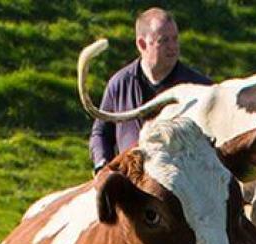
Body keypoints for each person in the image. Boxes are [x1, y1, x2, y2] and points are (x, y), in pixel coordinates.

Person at [88, 7, 212, 173]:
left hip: (183, 189)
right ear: (142, 44)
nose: (173, 47)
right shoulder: (119, 84)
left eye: (175, 39)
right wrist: (103, 166)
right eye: (164, 41)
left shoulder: (200, 88)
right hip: (130, 185)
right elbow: (101, 133)